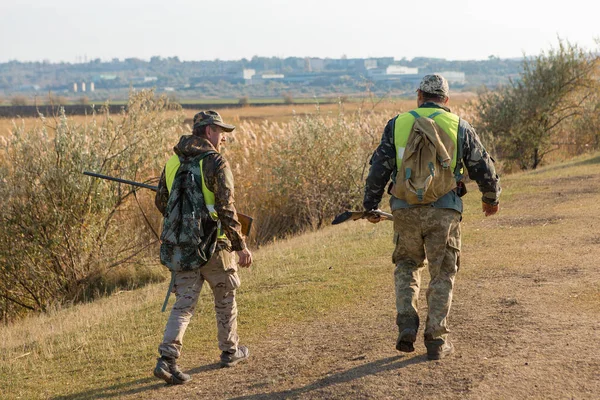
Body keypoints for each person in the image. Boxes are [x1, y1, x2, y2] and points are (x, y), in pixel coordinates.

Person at [363, 74, 501, 360]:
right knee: (443, 273)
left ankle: (407, 323)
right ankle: (436, 339)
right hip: (444, 211)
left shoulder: (397, 124)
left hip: (404, 210)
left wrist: (370, 205)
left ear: (419, 96)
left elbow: (379, 167)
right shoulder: (459, 126)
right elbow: (483, 168)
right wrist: (491, 199)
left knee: (406, 265)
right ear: (446, 100)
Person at [153, 110, 253, 384]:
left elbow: (162, 203)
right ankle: (230, 351)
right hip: (215, 246)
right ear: (208, 131)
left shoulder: (173, 161)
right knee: (225, 297)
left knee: (183, 305)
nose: (223, 138)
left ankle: (167, 359)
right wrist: (240, 245)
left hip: (182, 247)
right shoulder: (215, 162)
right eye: (221, 132)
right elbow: (225, 208)